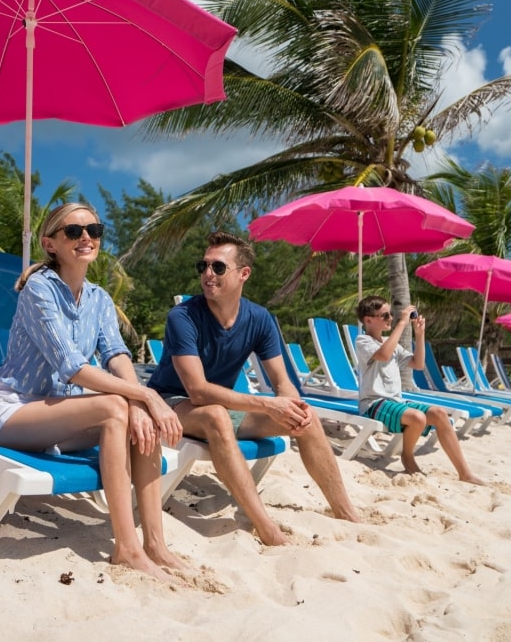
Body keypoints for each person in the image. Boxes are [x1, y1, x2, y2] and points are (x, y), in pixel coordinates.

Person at [0, 203, 188, 583]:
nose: (86, 236)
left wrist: (141, 401)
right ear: (50, 244)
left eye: (94, 229)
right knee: (116, 407)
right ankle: (126, 548)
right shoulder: (39, 289)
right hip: (12, 411)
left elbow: (116, 354)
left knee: (140, 419)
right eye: (73, 231)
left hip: (59, 415)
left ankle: (154, 543)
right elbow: (71, 367)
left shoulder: (99, 298)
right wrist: (147, 396)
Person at [147, 232, 360, 546]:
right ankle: (268, 530)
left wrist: (292, 406)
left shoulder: (260, 319)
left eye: (218, 267)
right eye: (203, 266)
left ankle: (346, 512)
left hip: (217, 408)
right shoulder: (183, 317)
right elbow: (198, 391)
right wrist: (267, 405)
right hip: (170, 405)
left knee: (308, 416)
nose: (207, 274)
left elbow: (282, 382)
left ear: (243, 273)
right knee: (217, 416)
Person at [354, 295, 484, 485]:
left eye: (391, 314)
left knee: (440, 414)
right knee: (418, 418)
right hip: (374, 403)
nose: (391, 318)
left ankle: (465, 472)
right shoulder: (363, 341)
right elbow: (383, 355)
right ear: (368, 320)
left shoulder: (392, 344)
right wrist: (402, 323)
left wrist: (419, 334)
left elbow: (418, 363)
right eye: (385, 315)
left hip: (395, 402)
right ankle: (407, 456)